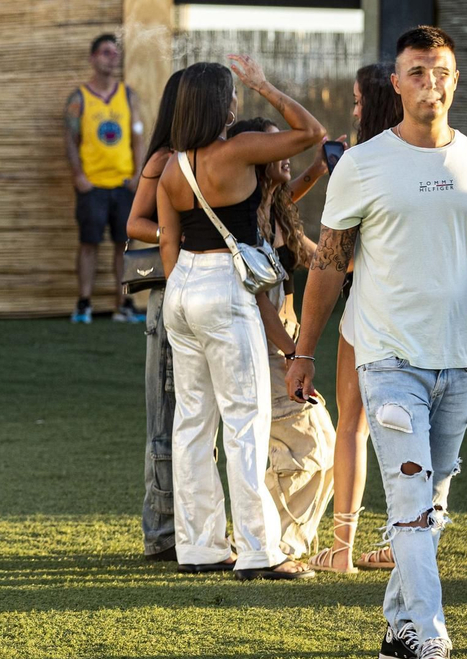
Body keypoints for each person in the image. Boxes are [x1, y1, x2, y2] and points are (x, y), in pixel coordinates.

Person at [287, 26, 467, 659]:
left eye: (439, 72)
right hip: (387, 361)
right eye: (416, 72)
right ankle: (432, 640)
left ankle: (395, 637)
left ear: (454, 80)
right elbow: (329, 263)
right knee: (411, 502)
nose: (429, 84)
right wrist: (304, 351)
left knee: (430, 510)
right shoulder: (363, 163)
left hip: (460, 362)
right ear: (397, 84)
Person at [155, 56, 325, 580]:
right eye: (233, 94)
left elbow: (167, 240)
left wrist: (182, 290)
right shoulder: (239, 150)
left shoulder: (171, 165)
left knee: (191, 424)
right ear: (220, 104)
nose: (238, 101)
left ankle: (200, 546)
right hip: (224, 290)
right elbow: (311, 132)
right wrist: (266, 85)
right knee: (244, 422)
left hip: (180, 287)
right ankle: (260, 551)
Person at [309, 63, 406, 575]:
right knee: (420, 433)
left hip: (367, 314)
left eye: (355, 101)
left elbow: (338, 259)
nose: (351, 110)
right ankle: (403, 542)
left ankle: (343, 549)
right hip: (421, 315)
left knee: (354, 426)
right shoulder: (431, 160)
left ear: (374, 103)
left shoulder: (358, 165)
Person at [228, 117, 338, 559]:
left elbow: (322, 260)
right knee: (304, 444)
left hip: (284, 346)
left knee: (318, 442)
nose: (285, 153)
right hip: (265, 348)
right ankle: (272, 541)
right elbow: (259, 302)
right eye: (276, 146)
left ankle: (281, 539)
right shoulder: (241, 220)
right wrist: (295, 354)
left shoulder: (275, 211)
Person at [125, 69, 184, 561]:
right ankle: (163, 533)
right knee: (166, 416)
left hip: (195, 296)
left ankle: (189, 527)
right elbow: (135, 223)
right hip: (168, 295)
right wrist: (181, 243)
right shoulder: (166, 159)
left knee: (194, 417)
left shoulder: (206, 156)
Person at [66, 33, 145, 322]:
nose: (112, 58)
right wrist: (79, 176)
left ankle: (123, 304)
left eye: (115, 53)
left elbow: (138, 138)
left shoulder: (128, 96)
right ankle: (84, 303)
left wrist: (139, 174)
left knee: (124, 246)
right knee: (88, 244)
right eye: (105, 53)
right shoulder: (79, 98)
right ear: (92, 58)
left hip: (124, 184)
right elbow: (70, 139)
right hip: (93, 186)